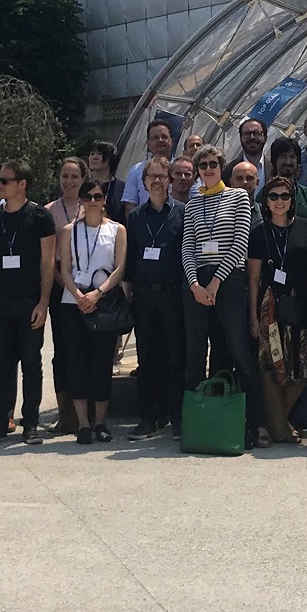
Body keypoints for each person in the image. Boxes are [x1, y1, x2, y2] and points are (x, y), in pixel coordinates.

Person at [180, 147, 265, 446]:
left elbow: (240, 242)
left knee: (239, 352)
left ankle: (254, 423)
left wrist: (215, 283)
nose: (207, 168)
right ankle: (193, 421)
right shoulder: (193, 204)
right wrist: (194, 284)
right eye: (202, 165)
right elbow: (187, 247)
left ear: (221, 167)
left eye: (212, 164)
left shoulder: (238, 197)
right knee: (195, 354)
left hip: (228, 280)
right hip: (197, 283)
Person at [0, 159, 55, 445]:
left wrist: (43, 302)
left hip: (28, 301)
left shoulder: (40, 217)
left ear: (22, 184)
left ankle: (30, 423)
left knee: (31, 365)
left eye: (4, 181)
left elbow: (47, 262)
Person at [57, 180, 128, 444]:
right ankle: (83, 424)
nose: (93, 201)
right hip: (72, 302)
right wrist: (78, 295)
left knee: (101, 363)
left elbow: (119, 267)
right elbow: (64, 268)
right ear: (81, 200)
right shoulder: (68, 231)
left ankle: (100, 421)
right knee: (76, 362)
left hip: (103, 301)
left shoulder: (117, 230)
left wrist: (98, 294)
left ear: (104, 200)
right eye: (88, 196)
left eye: (98, 196)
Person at [124, 157, 186, 440]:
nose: (157, 181)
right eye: (152, 176)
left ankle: (178, 417)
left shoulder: (183, 213)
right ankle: (149, 417)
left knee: (175, 357)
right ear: (144, 181)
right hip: (145, 295)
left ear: (170, 180)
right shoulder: (135, 217)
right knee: (147, 359)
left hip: (173, 295)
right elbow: (130, 258)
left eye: (163, 176)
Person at [248, 176, 307, 446]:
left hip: (298, 303)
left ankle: (274, 422)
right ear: (266, 201)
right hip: (269, 305)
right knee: (270, 366)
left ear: (292, 200)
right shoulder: (259, 232)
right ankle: (281, 429)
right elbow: (252, 278)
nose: (279, 201)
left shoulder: (306, 228)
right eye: (273, 196)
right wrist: (252, 316)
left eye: (284, 196)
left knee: (301, 366)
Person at [46, 157, 91, 432]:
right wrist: (66, 285)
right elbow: (48, 256)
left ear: (83, 179)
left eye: (74, 177)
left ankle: (87, 412)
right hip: (60, 288)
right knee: (62, 352)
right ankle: (65, 415)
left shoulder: (92, 207)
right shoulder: (49, 211)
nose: (69, 182)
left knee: (86, 351)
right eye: (65, 176)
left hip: (89, 290)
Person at [122, 118, 177, 209]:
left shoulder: (182, 168)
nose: (160, 140)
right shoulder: (136, 170)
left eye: (164, 137)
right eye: (155, 137)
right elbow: (130, 205)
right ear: (148, 143)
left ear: (172, 141)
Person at [267, 137, 307, 218]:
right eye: (283, 157)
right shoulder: (265, 193)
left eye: (292, 157)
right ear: (274, 161)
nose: (288, 162)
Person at [86, 141, 128, 221]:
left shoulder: (121, 187)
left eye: (99, 154)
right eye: (92, 153)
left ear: (110, 158)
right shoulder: (83, 185)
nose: (95, 157)